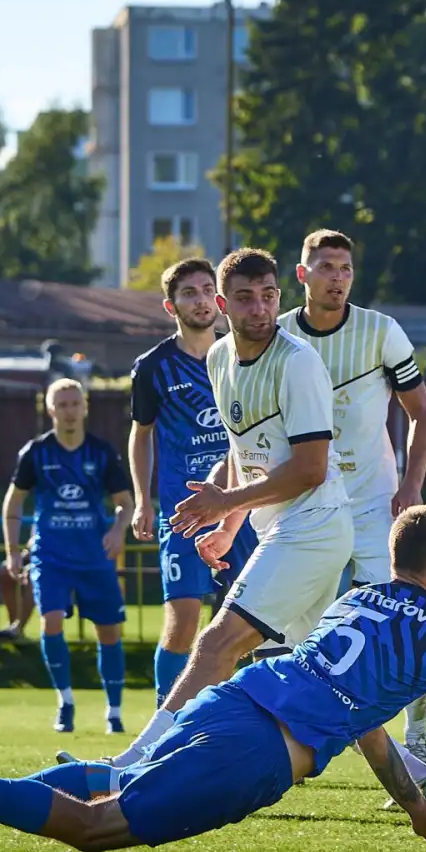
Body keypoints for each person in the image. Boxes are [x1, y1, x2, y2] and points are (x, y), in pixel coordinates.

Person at [0, 505, 426, 852]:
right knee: (96, 830)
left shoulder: (355, 599)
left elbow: (366, 727)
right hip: (257, 752)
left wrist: (412, 805)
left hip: (235, 697)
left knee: (114, 778)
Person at [104, 248, 353, 770]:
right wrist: (223, 521)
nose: (260, 309)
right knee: (321, 667)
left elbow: (309, 469)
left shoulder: (299, 362)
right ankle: (414, 783)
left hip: (311, 525)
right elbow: (243, 452)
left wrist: (226, 504)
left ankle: (141, 758)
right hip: (261, 519)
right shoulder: (214, 360)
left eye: (268, 297)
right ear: (224, 305)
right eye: (245, 298)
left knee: (218, 641)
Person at [281, 228, 426, 800]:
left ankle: (417, 744)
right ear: (301, 274)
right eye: (325, 266)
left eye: (345, 267)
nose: (337, 276)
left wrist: (414, 486)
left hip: (378, 504)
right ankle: (314, 745)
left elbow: (422, 414)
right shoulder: (277, 337)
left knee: (405, 626)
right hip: (308, 509)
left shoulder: (381, 330)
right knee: (314, 640)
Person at [126, 257, 259, 707]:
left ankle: (242, 721)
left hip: (240, 508)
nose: (200, 300)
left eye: (206, 290)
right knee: (183, 618)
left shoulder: (242, 355)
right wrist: (143, 499)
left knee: (246, 623)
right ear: (171, 306)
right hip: (182, 513)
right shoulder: (153, 367)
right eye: (189, 293)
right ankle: (165, 720)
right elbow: (140, 434)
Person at [2, 379, 133, 734]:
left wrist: (119, 529)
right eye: (61, 405)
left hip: (94, 555)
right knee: (52, 619)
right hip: (51, 555)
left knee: (109, 632)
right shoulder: (36, 453)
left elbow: (126, 503)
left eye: (75, 403)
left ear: (85, 407)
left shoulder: (102, 452)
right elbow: (13, 504)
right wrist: (14, 552)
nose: (69, 410)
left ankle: (114, 711)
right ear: (50, 410)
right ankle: (66, 702)